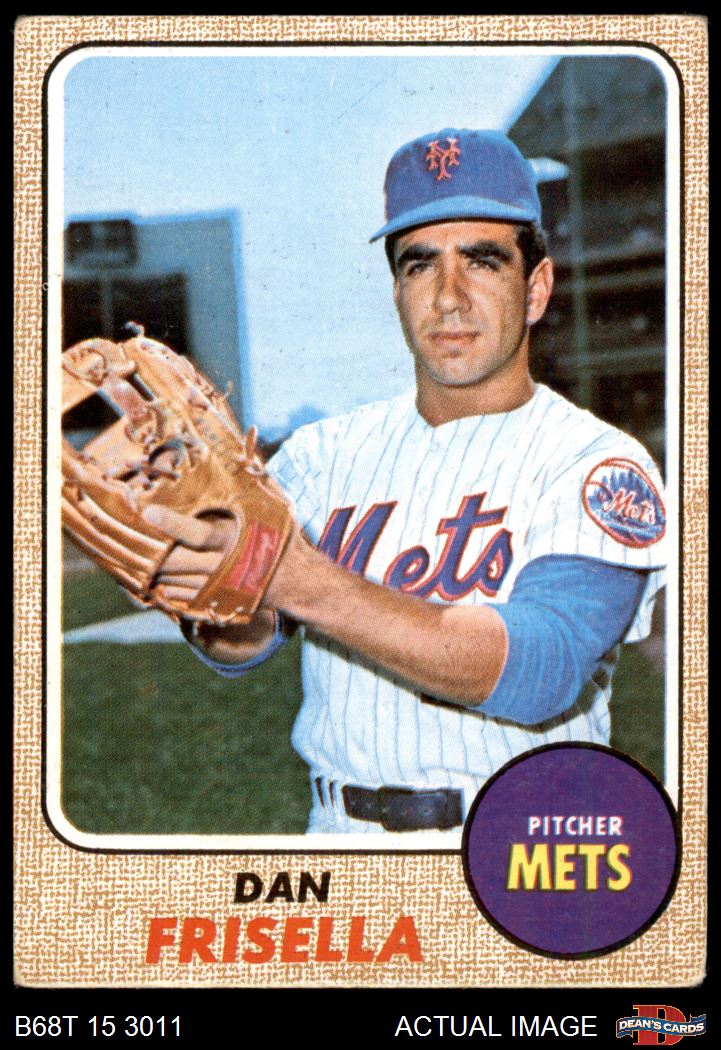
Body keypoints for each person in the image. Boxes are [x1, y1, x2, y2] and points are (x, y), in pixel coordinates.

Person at [145, 129, 667, 838]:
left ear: (536, 287)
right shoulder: (321, 453)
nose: (449, 297)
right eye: (420, 265)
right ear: (397, 290)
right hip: (337, 830)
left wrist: (296, 579)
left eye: (482, 260)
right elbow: (248, 642)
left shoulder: (597, 463)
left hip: (519, 840)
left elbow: (541, 669)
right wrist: (195, 582)